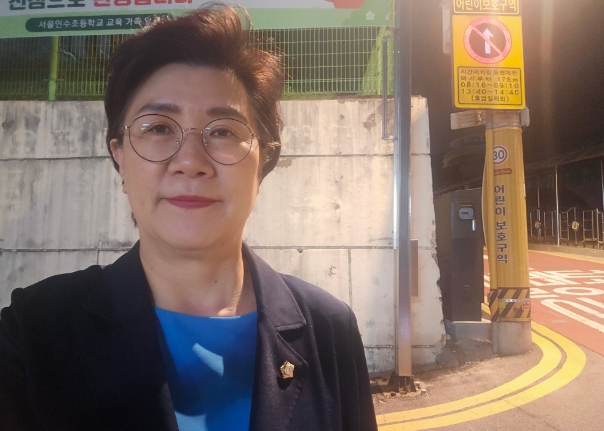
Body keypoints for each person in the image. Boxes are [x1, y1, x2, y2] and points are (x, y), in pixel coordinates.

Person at [0, 3, 377, 431]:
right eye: (159, 128)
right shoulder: (34, 332)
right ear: (119, 157)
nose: (191, 162)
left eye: (224, 131)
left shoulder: (329, 330)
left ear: (263, 163)